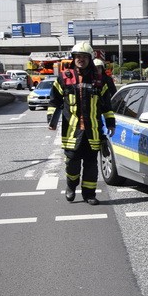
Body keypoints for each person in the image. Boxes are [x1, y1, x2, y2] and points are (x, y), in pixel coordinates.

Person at [48, 41, 116, 205]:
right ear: (73, 58)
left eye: (84, 57)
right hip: (72, 131)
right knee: (72, 164)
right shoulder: (64, 78)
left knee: (91, 166)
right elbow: (53, 101)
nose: (81, 60)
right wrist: (52, 120)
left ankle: (89, 195)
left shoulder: (99, 80)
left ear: (90, 59)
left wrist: (111, 123)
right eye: (78, 57)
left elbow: (107, 105)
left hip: (92, 131)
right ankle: (71, 186)